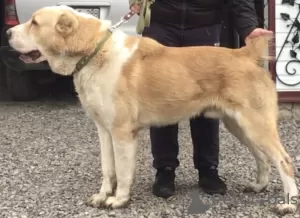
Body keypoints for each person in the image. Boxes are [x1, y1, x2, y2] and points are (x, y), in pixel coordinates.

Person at [130, 0, 273, 199]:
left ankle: (208, 169)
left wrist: (248, 26)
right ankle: (165, 170)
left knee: (209, 98)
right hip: (161, 24)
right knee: (161, 97)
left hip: (204, 23)